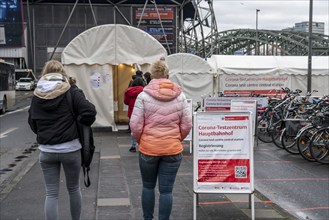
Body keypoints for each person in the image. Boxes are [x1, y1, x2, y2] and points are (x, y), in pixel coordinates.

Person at [28, 60, 97, 220]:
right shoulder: (71, 91)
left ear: (45, 74)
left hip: (46, 151)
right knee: (73, 189)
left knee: (51, 193)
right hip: (71, 149)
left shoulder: (37, 95)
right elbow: (90, 112)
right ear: (62, 73)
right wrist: (77, 124)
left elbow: (32, 121)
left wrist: (43, 133)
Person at [129, 59, 192, 220]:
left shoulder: (143, 96)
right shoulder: (181, 96)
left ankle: (148, 218)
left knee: (148, 187)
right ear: (167, 74)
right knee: (166, 190)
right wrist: (178, 138)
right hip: (172, 148)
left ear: (152, 75)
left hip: (148, 148)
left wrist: (140, 140)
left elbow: (135, 125)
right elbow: (187, 124)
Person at [124, 77, 144, 152]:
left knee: (133, 129)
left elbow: (126, 102)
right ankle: (142, 145)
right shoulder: (144, 91)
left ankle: (133, 146)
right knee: (142, 129)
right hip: (142, 112)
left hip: (132, 112)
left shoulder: (128, 91)